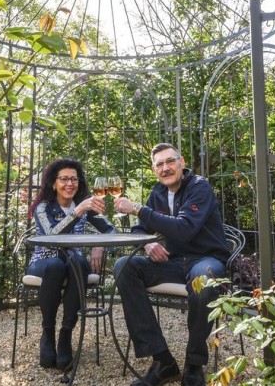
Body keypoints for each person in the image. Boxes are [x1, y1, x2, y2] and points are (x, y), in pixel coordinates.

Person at [113, 143, 230, 386]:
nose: (165, 168)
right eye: (159, 164)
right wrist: (147, 244)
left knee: (204, 280)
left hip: (207, 259)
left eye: (170, 162)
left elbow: (184, 228)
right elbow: (139, 230)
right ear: (154, 169)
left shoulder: (199, 187)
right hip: (174, 262)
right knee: (125, 265)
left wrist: (136, 208)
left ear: (182, 162)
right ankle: (163, 361)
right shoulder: (157, 193)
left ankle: (194, 363)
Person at [27, 158, 115, 371]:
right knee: (56, 265)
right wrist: (78, 212)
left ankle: (65, 335)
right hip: (44, 261)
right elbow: (51, 236)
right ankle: (48, 333)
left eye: (74, 179)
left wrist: (101, 246)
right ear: (53, 183)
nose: (69, 184)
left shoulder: (84, 205)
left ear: (79, 182)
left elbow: (111, 230)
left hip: (73, 264)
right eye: (64, 179)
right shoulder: (43, 207)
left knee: (77, 261)